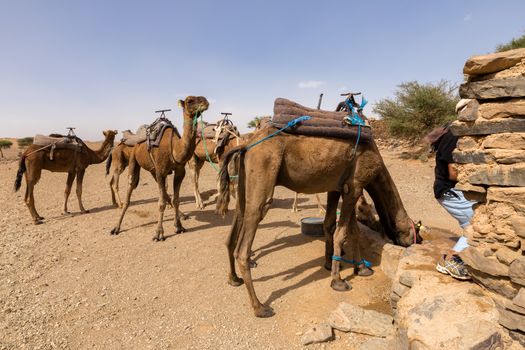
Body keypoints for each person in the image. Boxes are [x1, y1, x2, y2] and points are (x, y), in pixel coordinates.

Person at [426, 123, 475, 280]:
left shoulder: (455, 134)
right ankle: (455, 261)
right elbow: (453, 173)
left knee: (473, 226)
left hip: (450, 191)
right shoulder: (454, 136)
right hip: (450, 192)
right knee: (475, 227)